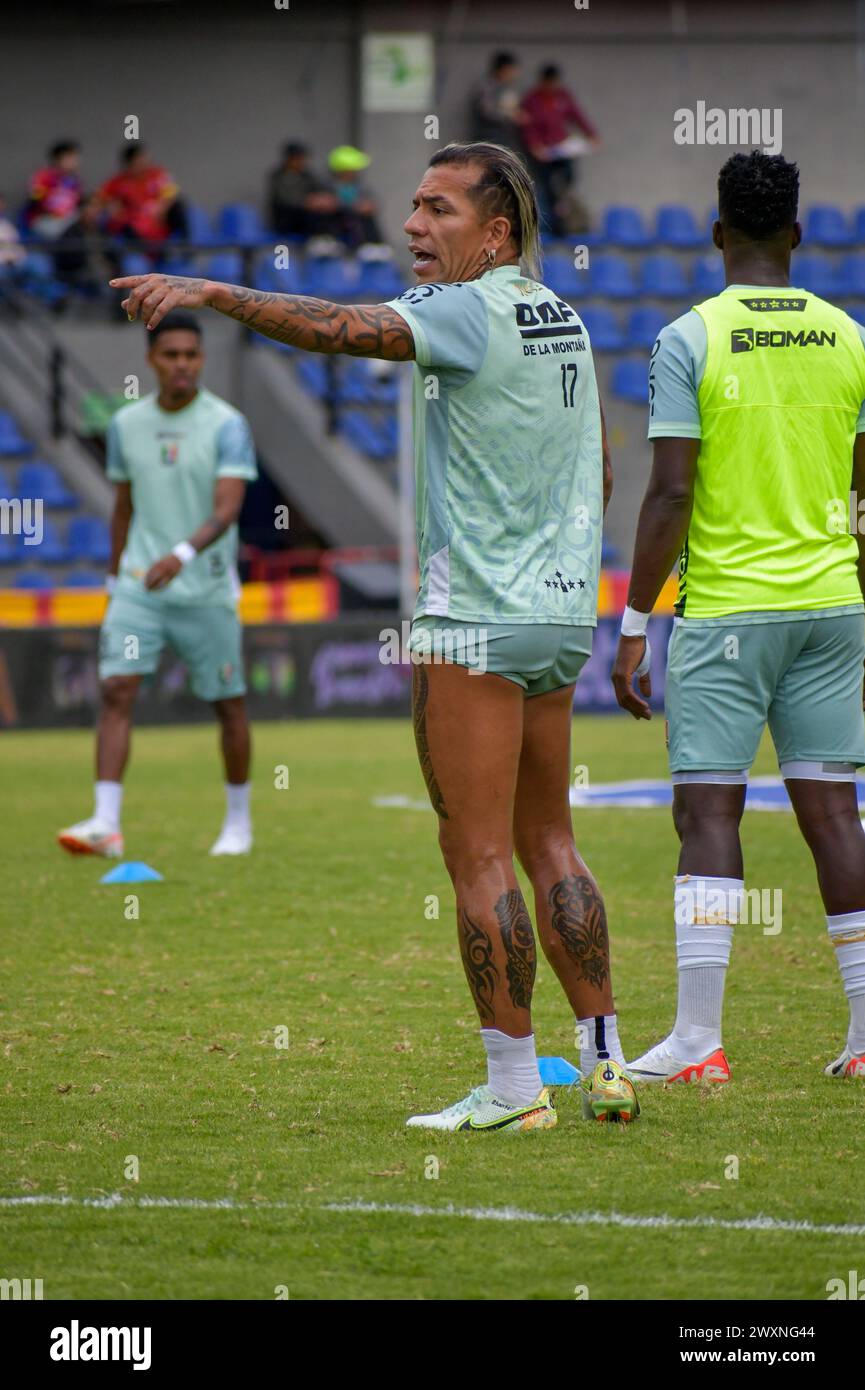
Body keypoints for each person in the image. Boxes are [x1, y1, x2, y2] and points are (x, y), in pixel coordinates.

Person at [108, 140, 639, 1132]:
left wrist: (214, 295)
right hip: (560, 615)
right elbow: (600, 468)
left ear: (497, 231)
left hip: (471, 619)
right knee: (551, 838)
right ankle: (605, 1059)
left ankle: (515, 1089)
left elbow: (343, 328)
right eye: (413, 206)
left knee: (476, 856)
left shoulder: (462, 308)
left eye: (438, 209)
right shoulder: (562, 316)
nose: (412, 226)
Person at [612, 150, 865, 1085]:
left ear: (716, 234)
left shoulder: (688, 338)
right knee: (834, 815)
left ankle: (697, 1041)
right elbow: (863, 494)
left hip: (727, 613)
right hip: (833, 605)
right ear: (798, 235)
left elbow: (670, 494)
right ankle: (862, 1038)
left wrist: (635, 621)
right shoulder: (850, 336)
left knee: (709, 811)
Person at [57, 311, 257, 860]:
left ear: (202, 359)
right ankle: (105, 823)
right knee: (116, 690)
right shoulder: (126, 426)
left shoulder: (227, 424)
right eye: (171, 355)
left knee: (228, 704)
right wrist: (113, 576)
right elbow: (123, 508)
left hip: (206, 589)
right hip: (138, 587)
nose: (182, 365)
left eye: (191, 355)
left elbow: (227, 509)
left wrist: (182, 554)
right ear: (151, 360)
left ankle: (238, 822)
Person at [520, 64, 599, 237]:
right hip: (544, 154)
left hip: (563, 150)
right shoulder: (532, 100)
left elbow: (577, 115)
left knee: (567, 183)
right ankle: (554, 227)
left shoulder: (563, 96)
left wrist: (591, 134)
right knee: (547, 189)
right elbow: (529, 127)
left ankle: (567, 216)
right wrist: (535, 146)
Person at [99, 143, 186, 244]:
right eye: (140, 160)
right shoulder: (118, 181)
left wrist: (163, 206)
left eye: (146, 159)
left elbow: (173, 194)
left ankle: (184, 246)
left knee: (180, 208)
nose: (146, 163)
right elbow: (101, 197)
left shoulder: (157, 174)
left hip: (159, 223)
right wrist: (111, 205)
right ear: (130, 163)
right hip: (135, 225)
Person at [267, 141, 337, 239]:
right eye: (298, 158)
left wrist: (325, 199)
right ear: (289, 158)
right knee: (311, 214)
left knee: (333, 212)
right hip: (286, 217)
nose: (301, 161)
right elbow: (286, 200)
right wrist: (308, 202)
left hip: (306, 213)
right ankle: (317, 241)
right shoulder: (278, 176)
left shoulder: (307, 175)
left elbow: (320, 188)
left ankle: (329, 241)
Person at [25, 141, 83, 240]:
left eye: (75, 157)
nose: (75, 161)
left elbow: (77, 204)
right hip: (46, 221)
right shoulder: (43, 177)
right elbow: (34, 200)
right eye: (70, 157)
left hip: (68, 222)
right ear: (58, 159)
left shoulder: (74, 181)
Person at [470, 52, 526, 152]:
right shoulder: (487, 86)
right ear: (504, 69)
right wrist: (510, 116)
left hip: (505, 138)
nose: (514, 74)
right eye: (512, 70)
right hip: (489, 138)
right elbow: (486, 111)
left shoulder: (507, 87)